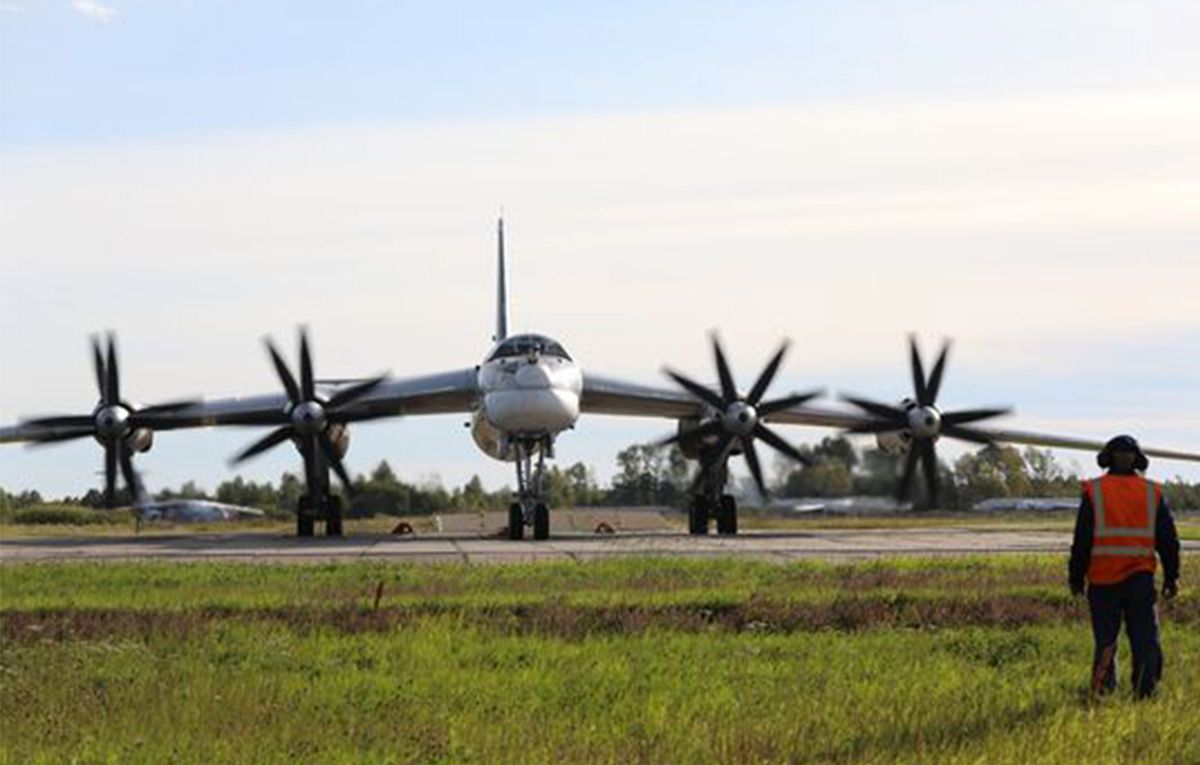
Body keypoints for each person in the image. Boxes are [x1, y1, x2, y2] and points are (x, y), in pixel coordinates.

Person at [1069, 435, 1180, 698]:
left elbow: (1082, 540)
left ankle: (1102, 691)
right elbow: (1168, 541)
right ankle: (1146, 691)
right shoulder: (1152, 492)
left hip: (1103, 580)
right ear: (1137, 460)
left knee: (1106, 640)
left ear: (1107, 458)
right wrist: (1171, 576)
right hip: (1139, 580)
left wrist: (1075, 577)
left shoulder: (1095, 491)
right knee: (1145, 639)